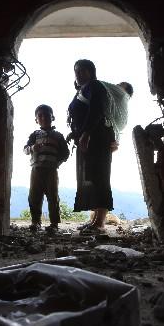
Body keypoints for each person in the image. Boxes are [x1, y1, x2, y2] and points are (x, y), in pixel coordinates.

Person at [67, 59, 116, 233]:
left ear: (91, 72)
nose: (78, 74)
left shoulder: (95, 87)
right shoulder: (83, 89)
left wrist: (86, 134)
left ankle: (100, 223)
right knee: (93, 177)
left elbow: (97, 111)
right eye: (76, 71)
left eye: (82, 71)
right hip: (88, 139)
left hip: (97, 140)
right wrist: (75, 133)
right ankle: (95, 219)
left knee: (100, 177)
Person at [24, 104, 70, 233]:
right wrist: (33, 148)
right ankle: (36, 221)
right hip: (36, 169)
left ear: (53, 117)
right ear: (36, 120)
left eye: (47, 115)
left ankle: (54, 224)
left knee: (53, 196)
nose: (43, 117)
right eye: (40, 115)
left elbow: (65, 153)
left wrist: (57, 163)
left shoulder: (58, 136)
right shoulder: (34, 135)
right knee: (34, 196)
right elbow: (25, 150)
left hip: (52, 170)